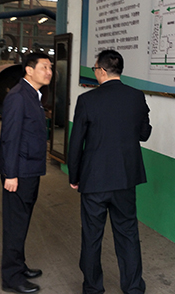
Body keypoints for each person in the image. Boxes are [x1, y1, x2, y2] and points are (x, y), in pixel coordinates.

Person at [68, 49, 152, 294]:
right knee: (127, 233)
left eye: (95, 68)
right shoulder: (136, 96)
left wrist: (74, 176)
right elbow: (144, 134)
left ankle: (93, 288)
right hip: (125, 179)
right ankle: (133, 287)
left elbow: (76, 143)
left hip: (94, 180)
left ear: (102, 71)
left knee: (92, 236)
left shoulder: (87, 100)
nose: (95, 72)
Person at [0, 52, 52, 294]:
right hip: (18, 172)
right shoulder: (19, 97)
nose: (49, 72)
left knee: (22, 221)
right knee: (15, 225)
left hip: (29, 170)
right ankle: (11, 277)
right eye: (44, 67)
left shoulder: (33, 95)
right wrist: (10, 174)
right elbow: (10, 138)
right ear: (29, 70)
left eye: (50, 68)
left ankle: (19, 266)